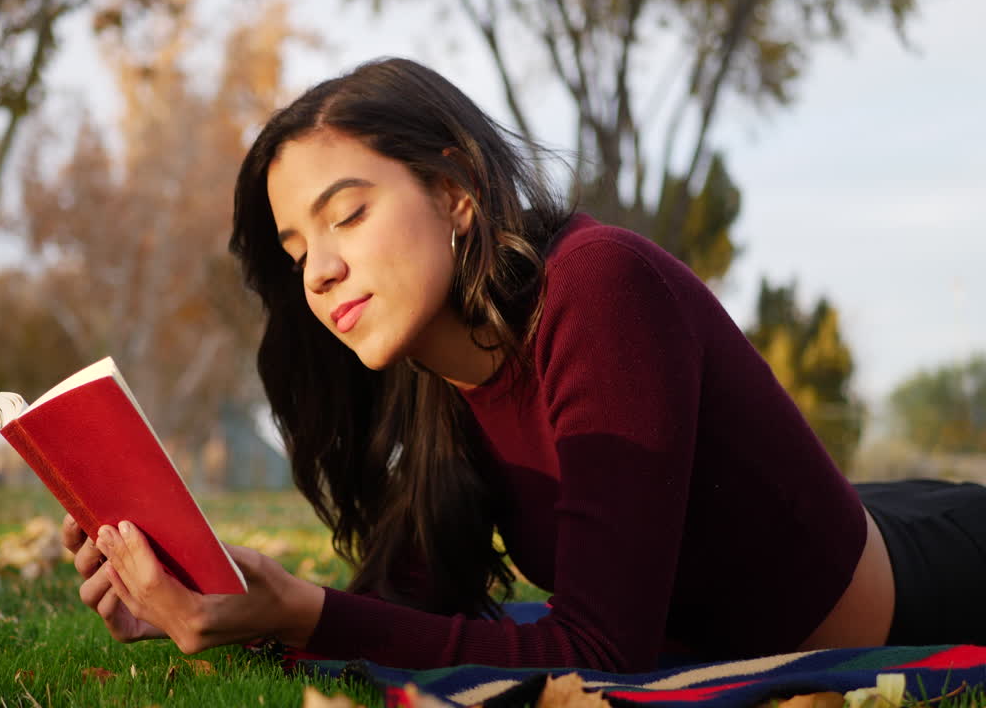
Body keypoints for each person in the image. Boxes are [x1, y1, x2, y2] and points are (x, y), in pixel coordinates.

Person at [61, 57, 986, 672]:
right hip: (856, 512)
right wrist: (217, 608)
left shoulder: (600, 288)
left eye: (347, 215)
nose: (321, 268)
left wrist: (303, 615)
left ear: (457, 193)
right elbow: (402, 618)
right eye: (298, 246)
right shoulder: (435, 380)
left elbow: (598, 657)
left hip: (936, 570)